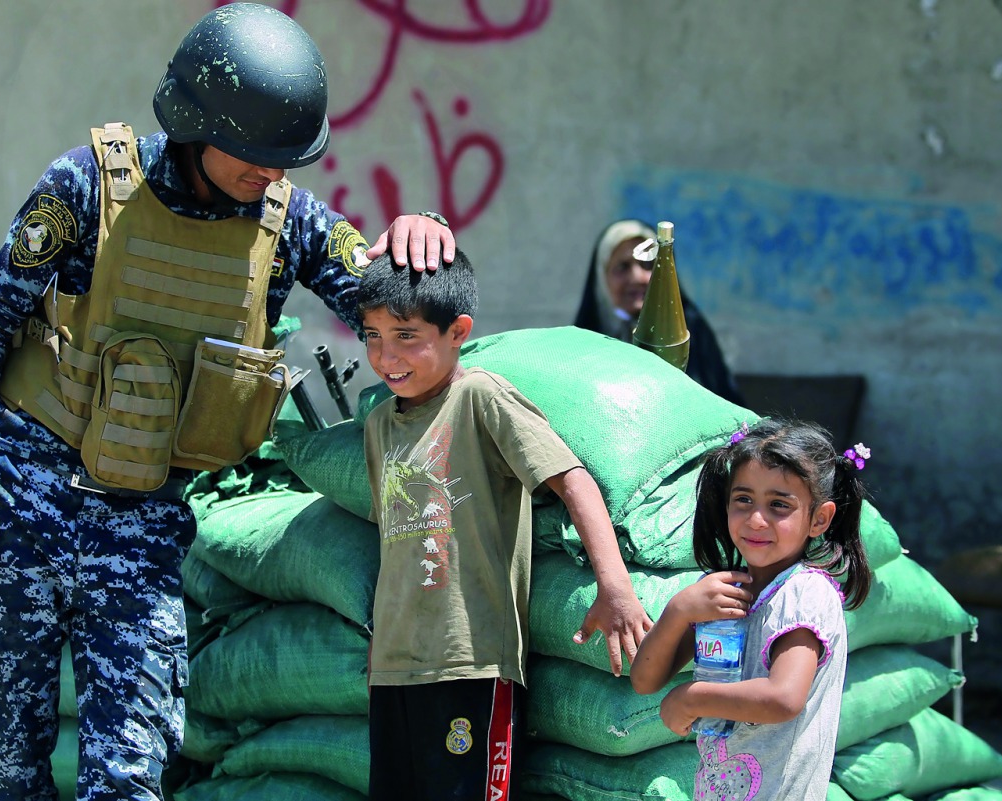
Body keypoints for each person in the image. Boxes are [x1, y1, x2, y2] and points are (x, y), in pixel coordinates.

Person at [0, 5, 456, 801]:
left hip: (139, 529)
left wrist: (426, 229)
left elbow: (393, 309)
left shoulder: (290, 224)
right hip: (19, 513)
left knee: (132, 776)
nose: (272, 172)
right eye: (255, 153)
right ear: (195, 122)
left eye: (286, 157)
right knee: (7, 775)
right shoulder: (84, 186)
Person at [358, 249, 653, 801]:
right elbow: (393, 544)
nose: (385, 356)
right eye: (371, 336)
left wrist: (614, 587)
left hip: (472, 662)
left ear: (457, 332)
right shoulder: (378, 424)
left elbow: (573, 480)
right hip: (395, 671)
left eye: (405, 335)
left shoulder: (479, 397)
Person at [629, 418, 872, 801]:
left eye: (779, 505)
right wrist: (678, 611)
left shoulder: (805, 592)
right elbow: (644, 681)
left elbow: (783, 697)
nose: (757, 519)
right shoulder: (726, 594)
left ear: (819, 519)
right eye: (744, 500)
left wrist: (692, 697)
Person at [574, 218, 745, 404]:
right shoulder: (584, 340)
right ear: (601, 277)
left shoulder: (689, 330)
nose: (636, 277)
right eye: (622, 267)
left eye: (648, 265)